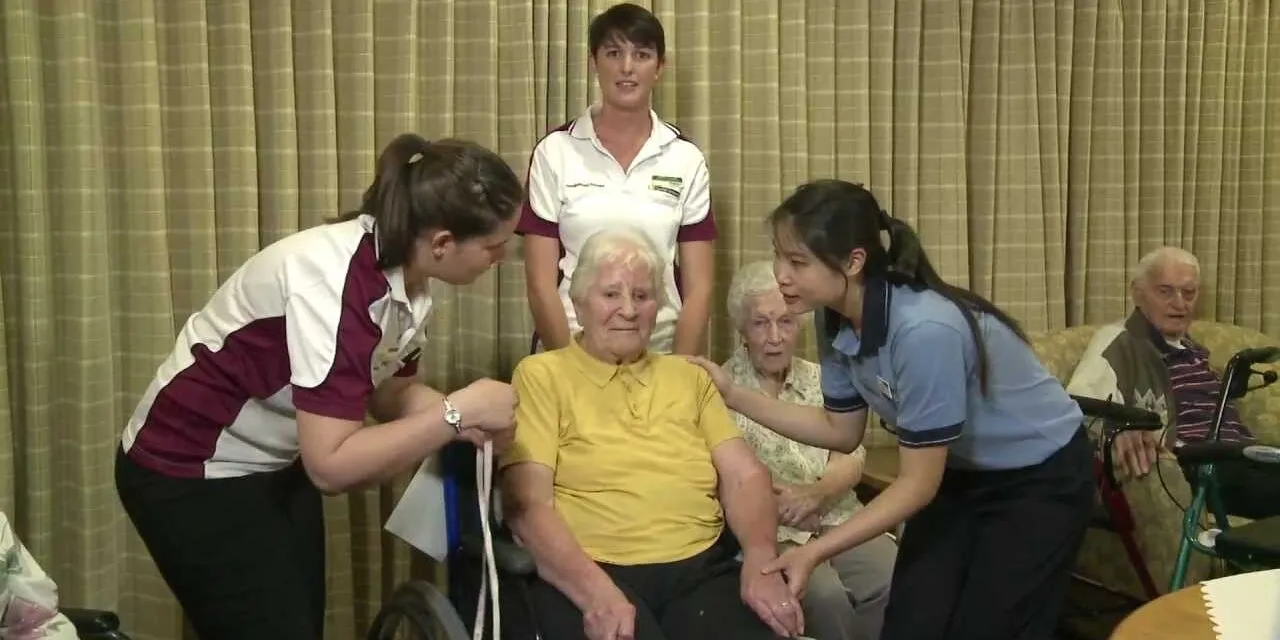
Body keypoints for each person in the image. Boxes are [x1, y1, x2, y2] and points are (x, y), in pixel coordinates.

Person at [114, 134, 523, 640]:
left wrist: (464, 420)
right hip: (185, 468)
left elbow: (388, 391)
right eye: (494, 244)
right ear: (442, 243)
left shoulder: (408, 282)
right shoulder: (335, 283)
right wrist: (455, 413)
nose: (503, 256)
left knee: (299, 624)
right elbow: (330, 466)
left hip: (275, 463)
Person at [688, 180, 1094, 640]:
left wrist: (815, 551)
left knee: (988, 628)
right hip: (959, 474)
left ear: (853, 261)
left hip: (1038, 478)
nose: (781, 275)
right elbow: (840, 430)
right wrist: (733, 394)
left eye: (797, 262)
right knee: (913, 620)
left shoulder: (923, 330)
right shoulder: (833, 312)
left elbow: (918, 484)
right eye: (779, 256)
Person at [500, 228, 802, 640]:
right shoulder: (541, 375)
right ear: (579, 300)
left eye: (642, 296)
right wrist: (595, 594)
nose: (628, 310)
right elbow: (527, 505)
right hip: (591, 567)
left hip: (699, 567)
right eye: (611, 295)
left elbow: (745, 475)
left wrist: (760, 560)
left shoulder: (687, 376)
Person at [518, 2, 716, 355]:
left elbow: (700, 288)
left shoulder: (685, 158)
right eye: (613, 53)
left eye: (641, 55)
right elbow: (539, 283)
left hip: (659, 348)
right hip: (572, 346)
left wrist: (682, 372)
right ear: (594, 62)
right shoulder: (555, 151)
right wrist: (571, 369)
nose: (627, 68)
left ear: (659, 67)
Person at [722, 260, 896, 640]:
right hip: (773, 532)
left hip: (839, 514)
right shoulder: (721, 390)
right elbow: (721, 475)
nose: (774, 336)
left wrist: (819, 493)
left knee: (894, 576)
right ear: (741, 330)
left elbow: (852, 451)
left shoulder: (822, 377)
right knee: (826, 597)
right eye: (760, 323)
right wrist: (775, 501)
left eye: (785, 322)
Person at [1066, 246, 1280, 520]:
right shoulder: (1120, 342)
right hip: (1200, 465)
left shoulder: (1192, 350)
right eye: (1165, 291)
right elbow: (1079, 407)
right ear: (1137, 293)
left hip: (1245, 456)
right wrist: (1117, 432)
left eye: (1188, 293)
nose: (1179, 303)